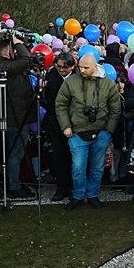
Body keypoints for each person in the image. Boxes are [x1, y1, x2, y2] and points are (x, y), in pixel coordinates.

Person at [54, 52, 121, 209]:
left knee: (97, 168)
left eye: (86, 67)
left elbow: (115, 108)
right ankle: (78, 195)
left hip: (101, 132)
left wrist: (109, 130)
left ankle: (93, 194)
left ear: (95, 66)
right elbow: (60, 104)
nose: (82, 70)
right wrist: (66, 126)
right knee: (78, 167)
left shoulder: (108, 84)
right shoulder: (71, 82)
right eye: (80, 67)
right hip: (77, 132)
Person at [0, 33, 37, 199]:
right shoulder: (1, 66)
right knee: (15, 154)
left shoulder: (4, 63)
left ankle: (13, 182)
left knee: (14, 153)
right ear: (7, 53)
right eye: (13, 49)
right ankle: (13, 186)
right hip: (12, 118)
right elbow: (25, 60)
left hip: (18, 115)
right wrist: (18, 43)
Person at [43, 52, 75, 201]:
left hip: (75, 124)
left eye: (64, 67)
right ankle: (62, 187)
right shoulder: (51, 76)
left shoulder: (77, 78)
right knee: (59, 157)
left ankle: (74, 186)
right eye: (59, 66)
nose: (61, 70)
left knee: (74, 157)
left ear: (72, 67)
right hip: (55, 123)